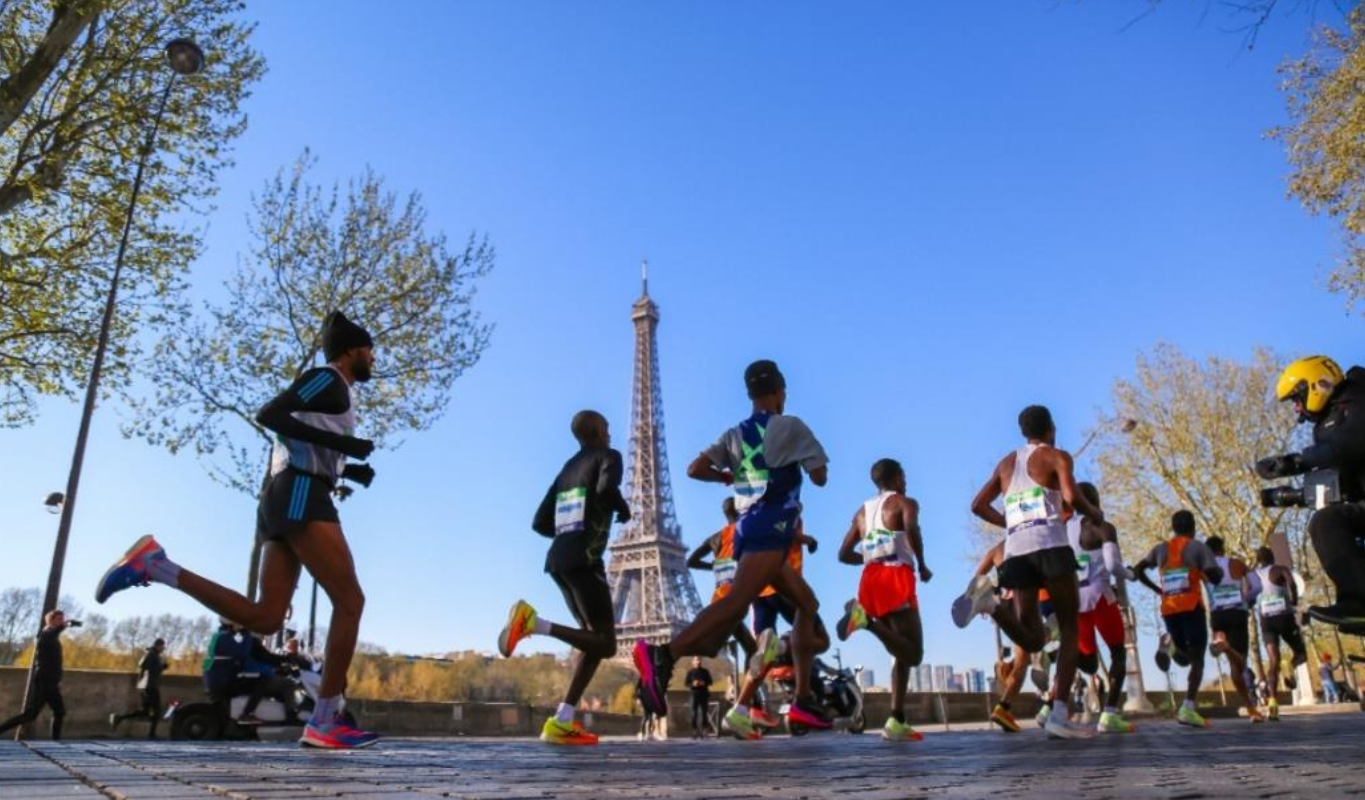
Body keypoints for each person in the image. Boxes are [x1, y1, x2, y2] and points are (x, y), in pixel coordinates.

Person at [96, 311, 381, 749]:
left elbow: (304, 437)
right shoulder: (328, 378)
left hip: (289, 494)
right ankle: (325, 720)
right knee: (350, 602)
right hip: (300, 493)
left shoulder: (335, 390)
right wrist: (343, 445)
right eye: (369, 350)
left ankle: (157, 566)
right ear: (351, 351)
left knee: (266, 617)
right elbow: (271, 413)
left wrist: (348, 468)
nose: (374, 359)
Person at [635, 360, 830, 731]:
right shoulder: (791, 426)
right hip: (771, 524)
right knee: (737, 602)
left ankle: (803, 700)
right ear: (780, 391)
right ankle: (663, 655)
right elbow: (819, 477)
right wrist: (808, 462)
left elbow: (695, 469)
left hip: (748, 526)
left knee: (807, 604)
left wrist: (727, 476)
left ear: (750, 394)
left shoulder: (734, 434)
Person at [970, 405, 1104, 739]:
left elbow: (978, 505)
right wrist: (1094, 513)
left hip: (1016, 552)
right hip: (1051, 546)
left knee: (1031, 638)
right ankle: (1058, 714)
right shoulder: (1057, 456)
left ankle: (993, 606)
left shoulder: (1006, 463)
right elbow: (1071, 495)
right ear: (1051, 429)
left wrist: (1009, 522)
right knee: (1070, 628)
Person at [498, 409, 630, 746]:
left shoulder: (567, 469)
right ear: (598, 430)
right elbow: (606, 489)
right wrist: (623, 508)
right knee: (607, 643)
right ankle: (535, 623)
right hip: (585, 559)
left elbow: (540, 522)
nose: (610, 433)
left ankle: (562, 720)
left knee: (592, 641)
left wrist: (568, 533)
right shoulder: (609, 456)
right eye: (607, 428)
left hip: (559, 558)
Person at [1258, 356, 1365, 627]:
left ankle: (1360, 601)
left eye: (1297, 399)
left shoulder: (1358, 398)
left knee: (1327, 521)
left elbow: (1350, 445)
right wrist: (1294, 495)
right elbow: (1339, 481)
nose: (1297, 408)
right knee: (1325, 522)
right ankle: (1356, 603)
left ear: (1315, 385)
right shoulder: (1326, 426)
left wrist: (1293, 462)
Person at [834, 457, 930, 742]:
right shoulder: (904, 503)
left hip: (870, 579)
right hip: (896, 578)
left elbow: (843, 554)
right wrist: (922, 564)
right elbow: (912, 529)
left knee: (899, 653)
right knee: (913, 654)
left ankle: (896, 720)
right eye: (904, 476)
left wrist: (869, 557)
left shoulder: (861, 512)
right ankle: (866, 622)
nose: (906, 481)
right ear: (897, 477)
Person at [722, 517, 829, 740]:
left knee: (764, 654)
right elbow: (782, 526)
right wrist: (806, 539)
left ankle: (740, 709)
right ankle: (800, 694)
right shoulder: (785, 502)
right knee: (821, 639)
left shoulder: (745, 518)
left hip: (759, 589)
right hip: (785, 584)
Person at [1133, 510, 1223, 729]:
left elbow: (1138, 570)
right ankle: (1188, 708)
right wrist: (1211, 570)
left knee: (1184, 658)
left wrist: (1158, 589)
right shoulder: (1198, 548)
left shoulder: (1160, 549)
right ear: (1193, 527)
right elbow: (1215, 577)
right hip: (1192, 607)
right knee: (1197, 658)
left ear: (1173, 528)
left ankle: (1168, 644)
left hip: (1170, 608)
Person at [1065, 483, 1138, 734]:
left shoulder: (1064, 528)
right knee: (1118, 653)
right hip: (1101, 597)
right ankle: (1109, 715)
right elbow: (1113, 566)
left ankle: (1057, 664)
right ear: (1096, 501)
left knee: (1088, 663)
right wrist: (1132, 574)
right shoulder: (1103, 527)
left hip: (1075, 600)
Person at [686, 498, 758, 666]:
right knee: (721, 646)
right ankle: (669, 652)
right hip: (736, 593)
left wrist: (713, 566)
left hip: (721, 594)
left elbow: (691, 562)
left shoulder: (716, 537)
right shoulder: (745, 530)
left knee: (749, 647)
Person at [1204, 537, 1264, 723]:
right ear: (1222, 548)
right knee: (1240, 664)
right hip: (1237, 612)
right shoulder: (1237, 564)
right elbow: (1258, 586)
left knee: (1234, 665)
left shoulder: (1203, 568)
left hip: (1217, 615)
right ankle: (1227, 648)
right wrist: (1245, 597)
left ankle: (1250, 707)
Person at [1250, 546, 1308, 720]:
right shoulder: (1280, 569)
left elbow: (1248, 595)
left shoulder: (1253, 575)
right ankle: (1290, 665)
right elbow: (1292, 583)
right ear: (1272, 557)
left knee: (1273, 662)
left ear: (1258, 560)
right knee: (1301, 654)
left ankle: (1273, 703)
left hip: (1266, 621)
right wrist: (1294, 601)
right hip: (1285, 616)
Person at [0, 610, 74, 739]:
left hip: (51, 681)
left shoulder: (52, 636)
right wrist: (63, 627)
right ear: (51, 620)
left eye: (62, 619)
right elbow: (51, 635)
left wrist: (58, 679)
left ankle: (56, 741)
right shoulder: (45, 634)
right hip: (44, 681)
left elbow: (54, 660)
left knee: (59, 711)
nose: (62, 621)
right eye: (59, 619)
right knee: (31, 715)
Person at [110, 638, 167, 738]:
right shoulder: (152, 654)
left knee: (145, 711)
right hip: (150, 686)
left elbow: (144, 667)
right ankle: (152, 735)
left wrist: (160, 667)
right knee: (157, 710)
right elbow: (150, 669)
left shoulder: (149, 654)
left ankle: (119, 717)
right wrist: (162, 667)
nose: (163, 648)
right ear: (158, 645)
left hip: (144, 685)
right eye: (163, 646)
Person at [685, 657, 714, 738]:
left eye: (699, 660)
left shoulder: (705, 671)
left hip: (704, 694)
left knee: (704, 713)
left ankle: (704, 731)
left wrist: (703, 683)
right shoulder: (690, 672)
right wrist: (693, 684)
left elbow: (710, 682)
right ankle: (695, 731)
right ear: (693, 662)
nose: (698, 661)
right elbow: (686, 683)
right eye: (696, 660)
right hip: (694, 695)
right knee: (694, 714)